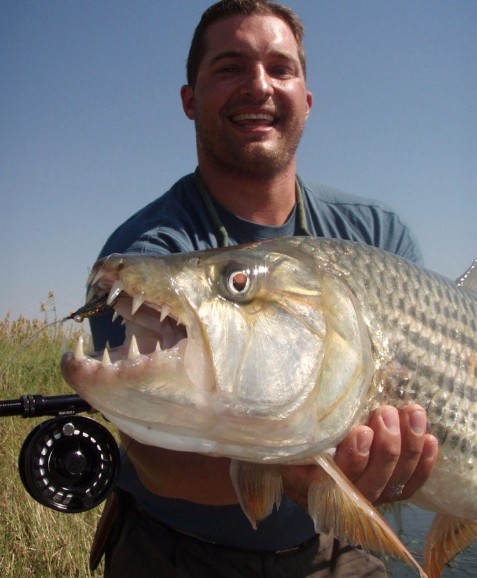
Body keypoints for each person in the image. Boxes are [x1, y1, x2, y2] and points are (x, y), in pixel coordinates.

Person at [89, 1, 439, 576]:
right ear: (189, 99)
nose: (258, 86)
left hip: (328, 549)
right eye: (229, 68)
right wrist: (292, 470)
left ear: (306, 99)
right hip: (173, 549)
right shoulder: (148, 259)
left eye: (281, 68)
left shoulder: (379, 236)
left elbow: (412, 443)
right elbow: (154, 457)